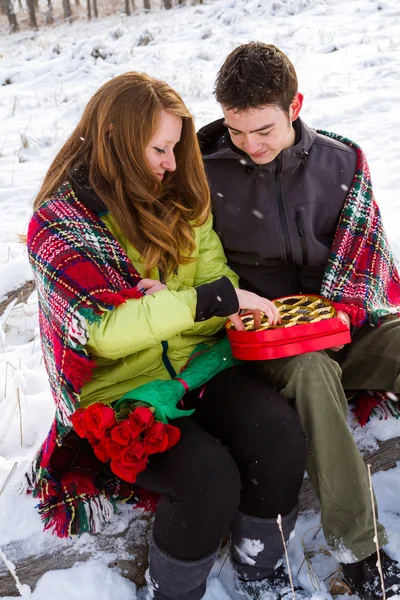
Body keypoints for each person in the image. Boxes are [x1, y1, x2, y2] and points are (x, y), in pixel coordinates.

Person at [26, 72, 307, 600]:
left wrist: (182, 309)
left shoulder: (178, 201)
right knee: (207, 479)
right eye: (160, 148)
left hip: (199, 365)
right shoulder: (62, 222)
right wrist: (198, 303)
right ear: (117, 139)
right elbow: (103, 334)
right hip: (121, 396)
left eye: (176, 147)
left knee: (279, 434)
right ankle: (172, 592)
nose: (173, 164)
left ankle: (262, 570)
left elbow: (212, 293)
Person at [198, 42, 400, 599]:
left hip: (339, 322)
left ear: (294, 106)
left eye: (262, 129)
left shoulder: (341, 162)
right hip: (263, 347)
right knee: (313, 371)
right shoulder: (200, 172)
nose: (249, 145)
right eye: (237, 132)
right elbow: (187, 265)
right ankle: (360, 550)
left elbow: (367, 260)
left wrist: (340, 313)